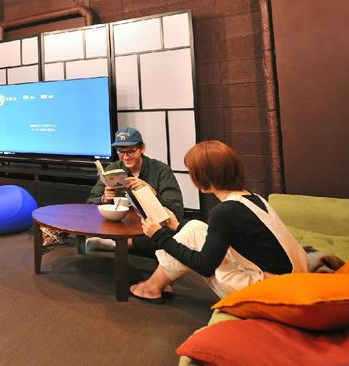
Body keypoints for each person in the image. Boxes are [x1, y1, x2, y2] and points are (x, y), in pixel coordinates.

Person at [129, 140, 307, 303]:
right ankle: (157, 284)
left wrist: (158, 235)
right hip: (291, 279)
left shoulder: (224, 212)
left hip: (271, 291)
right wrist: (176, 226)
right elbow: (223, 238)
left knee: (190, 236)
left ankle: (151, 287)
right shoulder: (253, 198)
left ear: (203, 177)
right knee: (193, 227)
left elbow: (204, 266)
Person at [84, 126, 184, 252]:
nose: (125, 157)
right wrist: (105, 199)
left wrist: (151, 192)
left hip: (150, 225)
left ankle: (119, 245)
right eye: (121, 152)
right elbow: (90, 202)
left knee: (168, 233)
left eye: (131, 151)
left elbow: (176, 210)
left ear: (142, 148)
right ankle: (118, 243)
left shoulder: (160, 170)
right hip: (121, 224)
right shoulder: (112, 169)